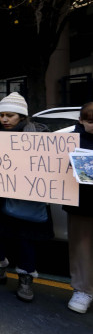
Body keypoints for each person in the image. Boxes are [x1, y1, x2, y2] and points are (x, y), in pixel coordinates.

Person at [0, 92, 53, 302]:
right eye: (1, 115)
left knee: (25, 240)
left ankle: (26, 277)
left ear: (21, 115)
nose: (4, 119)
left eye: (9, 115)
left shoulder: (40, 134)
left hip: (26, 201)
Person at [65, 102, 93, 313]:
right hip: (83, 204)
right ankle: (83, 290)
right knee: (82, 248)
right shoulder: (68, 142)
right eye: (91, 122)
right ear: (81, 121)